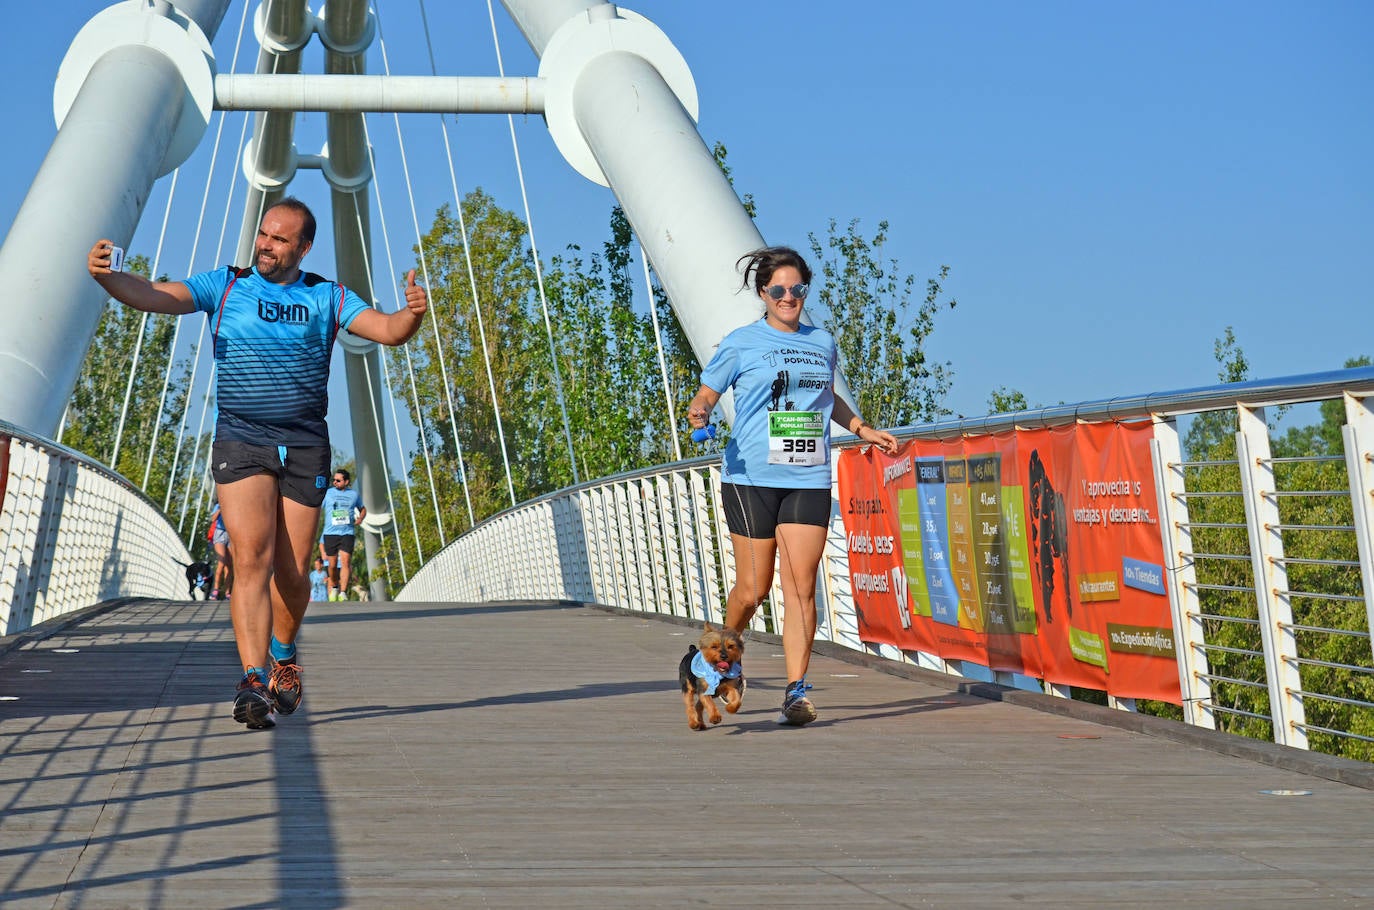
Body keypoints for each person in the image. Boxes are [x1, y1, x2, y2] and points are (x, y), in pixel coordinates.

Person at [88, 197, 428, 730]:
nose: (265, 245)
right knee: (251, 559)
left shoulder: (328, 296)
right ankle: (252, 677)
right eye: (263, 234)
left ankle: (284, 657)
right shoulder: (224, 285)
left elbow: (386, 331)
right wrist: (110, 278)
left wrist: (410, 313)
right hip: (242, 439)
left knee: (292, 572)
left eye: (279, 239)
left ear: (304, 247)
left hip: (306, 444)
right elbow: (156, 295)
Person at [685, 246, 898, 726]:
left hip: (807, 477)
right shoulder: (742, 342)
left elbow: (830, 398)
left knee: (802, 589)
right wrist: (700, 410)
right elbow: (707, 393)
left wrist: (862, 429)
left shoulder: (822, 342)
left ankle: (795, 692)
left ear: (805, 290)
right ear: (763, 293)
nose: (788, 297)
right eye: (778, 290)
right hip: (751, 478)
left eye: (796, 289)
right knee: (752, 589)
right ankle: (716, 660)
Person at [319, 468, 365, 601]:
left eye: (338, 480)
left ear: (346, 482)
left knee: (345, 562)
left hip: (347, 532)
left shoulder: (354, 495)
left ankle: (343, 592)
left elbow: (363, 509)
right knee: (332, 565)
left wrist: (361, 518)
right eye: (334, 480)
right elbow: (317, 508)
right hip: (330, 533)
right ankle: (334, 586)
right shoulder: (327, 493)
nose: (334, 482)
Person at [207, 500, 232, 601]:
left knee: (229, 566)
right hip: (220, 533)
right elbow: (213, 519)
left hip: (231, 534)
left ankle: (227, 592)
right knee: (221, 563)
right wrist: (221, 507)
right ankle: (215, 590)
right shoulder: (218, 505)